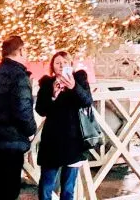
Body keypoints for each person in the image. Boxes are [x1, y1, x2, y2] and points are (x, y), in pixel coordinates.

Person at [0, 36, 37, 200]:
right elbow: (23, 110)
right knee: (9, 191)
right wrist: (31, 130)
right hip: (11, 142)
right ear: (21, 50)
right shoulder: (19, 76)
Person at [36, 51, 93, 200]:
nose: (61, 66)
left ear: (71, 65)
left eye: (65, 63)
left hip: (73, 140)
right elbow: (41, 110)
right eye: (58, 63)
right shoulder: (47, 84)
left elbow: (87, 101)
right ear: (52, 67)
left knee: (68, 189)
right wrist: (53, 96)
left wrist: (74, 87)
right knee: (45, 186)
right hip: (51, 140)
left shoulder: (79, 80)